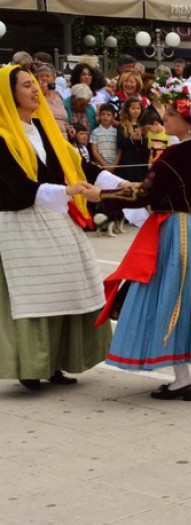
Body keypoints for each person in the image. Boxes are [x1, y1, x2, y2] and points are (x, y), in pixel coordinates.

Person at [84, 78, 191, 401]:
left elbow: (146, 193)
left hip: (178, 232)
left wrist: (100, 193)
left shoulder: (177, 154)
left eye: (170, 115)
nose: (163, 119)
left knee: (172, 299)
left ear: (186, 122)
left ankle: (182, 379)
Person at [0, 65, 118, 390]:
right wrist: (65, 192)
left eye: (36, 84)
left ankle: (56, 361)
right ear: (9, 95)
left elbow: (79, 164)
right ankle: (31, 364)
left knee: (72, 283)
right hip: (20, 221)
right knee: (33, 296)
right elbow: (17, 185)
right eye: (27, 86)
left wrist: (122, 184)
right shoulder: (3, 136)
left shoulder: (45, 128)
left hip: (53, 216)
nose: (36, 90)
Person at [90, 103, 120, 172]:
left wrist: (114, 165)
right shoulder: (95, 132)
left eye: (108, 115)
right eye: (103, 114)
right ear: (99, 115)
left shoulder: (116, 132)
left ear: (113, 117)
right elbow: (94, 151)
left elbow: (119, 151)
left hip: (114, 166)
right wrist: (104, 164)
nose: (105, 117)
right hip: (100, 166)